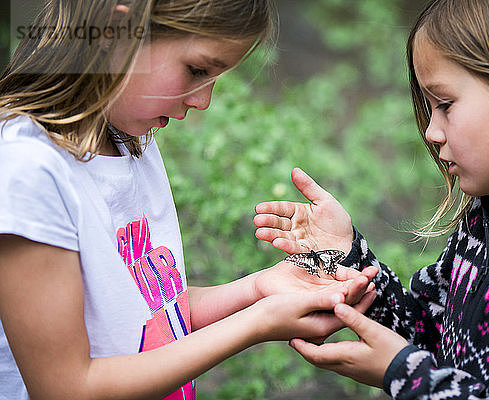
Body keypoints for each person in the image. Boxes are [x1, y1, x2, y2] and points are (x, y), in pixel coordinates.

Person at [0, 1, 378, 399]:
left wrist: (260, 290)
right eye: (197, 70)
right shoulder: (27, 169)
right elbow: (68, 387)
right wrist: (258, 323)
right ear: (117, 29)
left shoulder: (131, 145)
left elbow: (149, 316)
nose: (203, 101)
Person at [253, 0, 489, 398]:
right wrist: (347, 255)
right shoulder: (485, 222)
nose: (432, 131)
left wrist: (409, 377)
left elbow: (419, 368)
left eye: (445, 104)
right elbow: (426, 331)